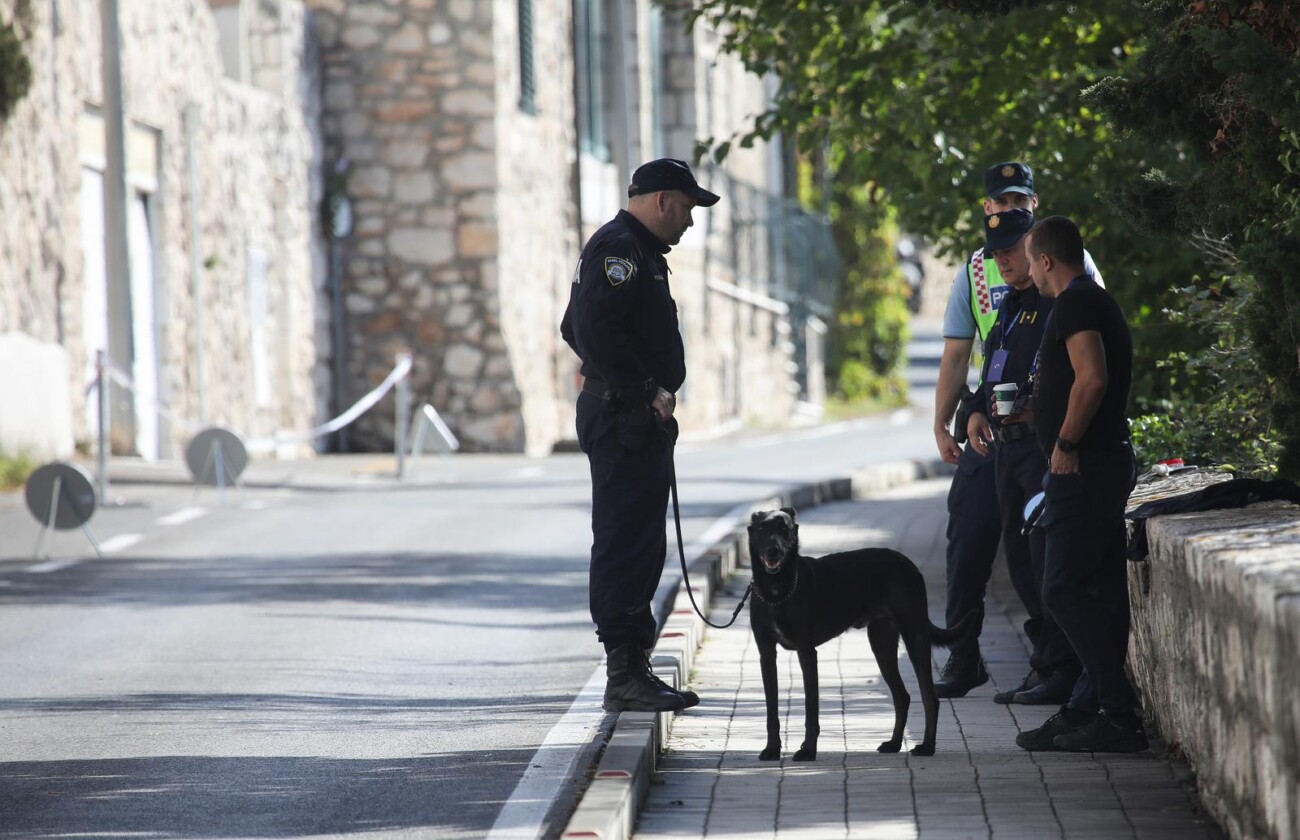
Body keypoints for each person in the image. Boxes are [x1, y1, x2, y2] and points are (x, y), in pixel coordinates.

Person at [933, 161, 1102, 699]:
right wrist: (957, 417)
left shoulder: (1066, 273)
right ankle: (964, 656)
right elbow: (966, 354)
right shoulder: (979, 271)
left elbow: (1089, 356)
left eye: (1019, 203)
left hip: (1045, 437)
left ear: (1034, 206)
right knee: (969, 540)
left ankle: (1057, 668)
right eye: (1000, 204)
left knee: (1039, 553)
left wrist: (1070, 436)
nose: (1009, 212)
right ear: (987, 209)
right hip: (996, 433)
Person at [560, 158, 719, 713]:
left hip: (630, 416)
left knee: (643, 541)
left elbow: (572, 325)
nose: (689, 222)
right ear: (661, 201)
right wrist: (644, 389)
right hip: (623, 417)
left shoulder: (637, 248)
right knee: (627, 541)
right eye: (686, 209)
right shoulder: (621, 250)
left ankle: (634, 667)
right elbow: (589, 328)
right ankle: (624, 673)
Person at [1014, 215, 1147, 753]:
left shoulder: (1074, 302)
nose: (1028, 272)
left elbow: (1092, 378)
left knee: (1061, 589)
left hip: (1085, 466)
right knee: (1100, 589)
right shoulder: (1090, 299)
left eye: (1029, 261)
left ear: (1046, 260)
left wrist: (1064, 445)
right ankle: (1085, 707)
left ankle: (1117, 713)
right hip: (1099, 463)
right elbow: (1076, 379)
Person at [963, 208, 1082, 706]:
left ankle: (1061, 669)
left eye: (1012, 251)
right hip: (1006, 452)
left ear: (1033, 251)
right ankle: (1044, 661)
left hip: (1037, 447)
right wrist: (971, 410)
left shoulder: (1054, 302)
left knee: (1044, 561)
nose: (1004, 262)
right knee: (1019, 561)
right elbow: (990, 367)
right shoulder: (1009, 307)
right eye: (995, 254)